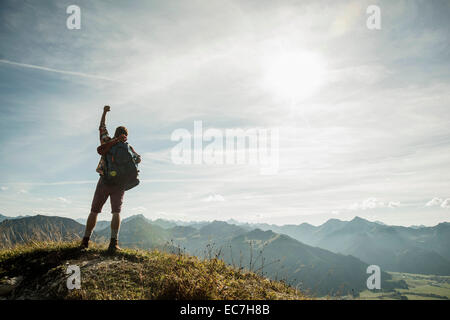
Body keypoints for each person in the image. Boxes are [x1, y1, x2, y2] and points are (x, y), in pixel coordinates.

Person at [80, 106, 141, 252]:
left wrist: (104, 112)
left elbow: (101, 127)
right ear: (126, 135)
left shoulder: (107, 141)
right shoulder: (128, 148)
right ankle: (113, 243)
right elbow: (138, 159)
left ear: (116, 134)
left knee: (94, 211)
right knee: (116, 212)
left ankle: (85, 241)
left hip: (104, 181)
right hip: (119, 184)